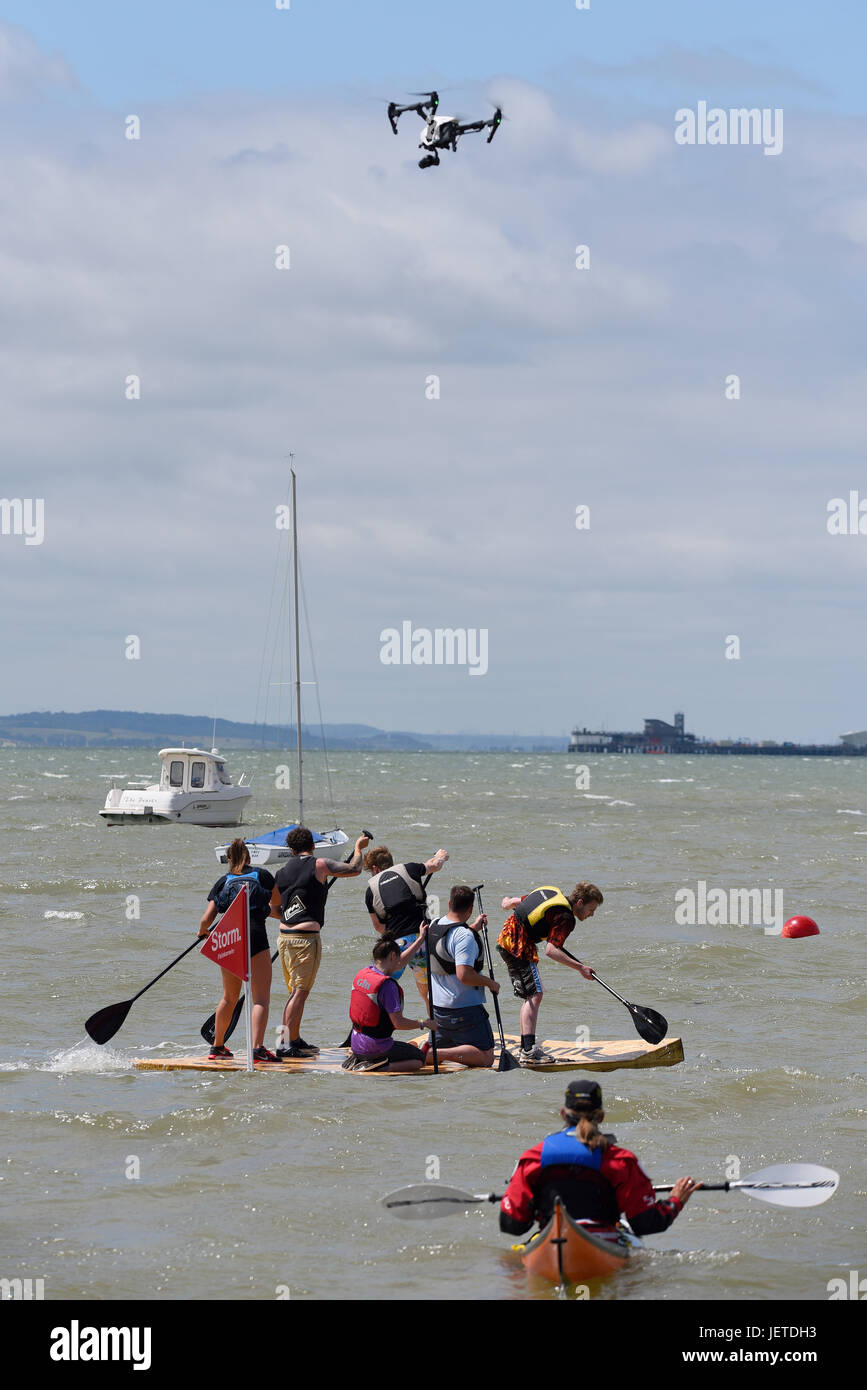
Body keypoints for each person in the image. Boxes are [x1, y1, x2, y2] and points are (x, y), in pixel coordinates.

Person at [499, 1079, 699, 1238]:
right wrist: (675, 1200)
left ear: (563, 1114)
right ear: (601, 1117)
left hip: (551, 1239)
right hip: (603, 1241)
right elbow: (645, 1224)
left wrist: (535, 1206)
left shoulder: (532, 1158)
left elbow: (512, 1225)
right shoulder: (621, 1161)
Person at [270, 827, 370, 1060]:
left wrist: (292, 914)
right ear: (313, 846)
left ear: (292, 850)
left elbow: (273, 909)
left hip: (284, 938)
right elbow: (355, 869)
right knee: (300, 992)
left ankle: (293, 1038)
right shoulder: (320, 865)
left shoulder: (281, 873)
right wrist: (358, 848)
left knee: (296, 992)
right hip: (305, 940)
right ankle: (284, 1044)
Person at [497, 883, 603, 1065]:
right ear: (579, 902)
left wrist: (505, 902)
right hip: (517, 945)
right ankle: (529, 1051)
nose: (592, 914)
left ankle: (526, 1047)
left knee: (532, 994)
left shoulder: (552, 893)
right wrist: (581, 968)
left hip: (508, 936)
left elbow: (515, 903)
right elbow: (551, 950)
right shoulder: (566, 918)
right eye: (591, 909)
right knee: (535, 995)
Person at [199, 838, 280, 1063]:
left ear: (229, 859)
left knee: (229, 997)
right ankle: (257, 1049)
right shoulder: (262, 876)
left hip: (229, 939)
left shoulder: (223, 881)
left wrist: (203, 932)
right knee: (260, 999)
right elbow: (277, 903)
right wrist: (264, 909)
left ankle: (217, 1047)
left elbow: (206, 919)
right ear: (249, 857)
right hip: (255, 935)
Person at [364, 845, 449, 1008]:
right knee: (427, 993)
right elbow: (434, 865)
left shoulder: (370, 891)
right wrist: (441, 856)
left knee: (381, 986)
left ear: (375, 869)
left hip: (398, 946)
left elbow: (378, 927)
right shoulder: (409, 869)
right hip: (422, 939)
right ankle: (436, 1029)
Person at [426, 884, 500, 1068]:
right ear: (470, 909)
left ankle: (434, 1048)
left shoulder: (434, 925)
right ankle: (436, 1053)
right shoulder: (463, 936)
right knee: (486, 1058)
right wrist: (490, 983)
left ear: (450, 903)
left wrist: (472, 928)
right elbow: (464, 975)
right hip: (463, 1011)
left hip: (437, 1009)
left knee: (458, 1044)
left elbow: (448, 950)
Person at [342, 934, 436, 1072]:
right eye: (398, 959)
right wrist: (424, 1023)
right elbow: (399, 1023)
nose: (400, 964)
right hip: (375, 1047)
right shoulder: (387, 985)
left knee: (405, 1049)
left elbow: (401, 962)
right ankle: (380, 1067)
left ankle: (363, 1060)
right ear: (392, 956)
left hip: (356, 1045)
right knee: (419, 1059)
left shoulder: (363, 973)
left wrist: (420, 939)